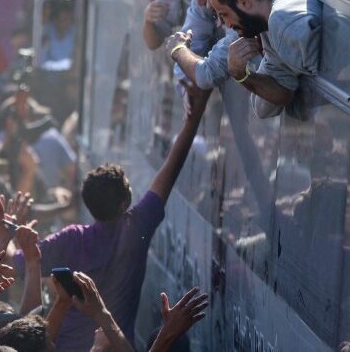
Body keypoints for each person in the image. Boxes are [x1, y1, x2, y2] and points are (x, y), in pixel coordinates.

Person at [15, 82, 212, 351]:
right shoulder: (136, 227)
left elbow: (17, 264)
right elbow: (171, 169)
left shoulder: (72, 239)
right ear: (124, 203)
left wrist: (9, 240)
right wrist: (194, 116)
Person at [209, 0, 323, 118]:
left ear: (243, 2)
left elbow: (329, 80)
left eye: (224, 15)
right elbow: (266, 106)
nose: (227, 25)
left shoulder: (281, 21)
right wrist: (241, 74)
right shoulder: (268, 29)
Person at [165, 0, 242, 90]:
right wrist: (187, 85)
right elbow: (194, 43)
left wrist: (178, 50)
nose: (203, 3)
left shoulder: (241, 17)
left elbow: (209, 74)